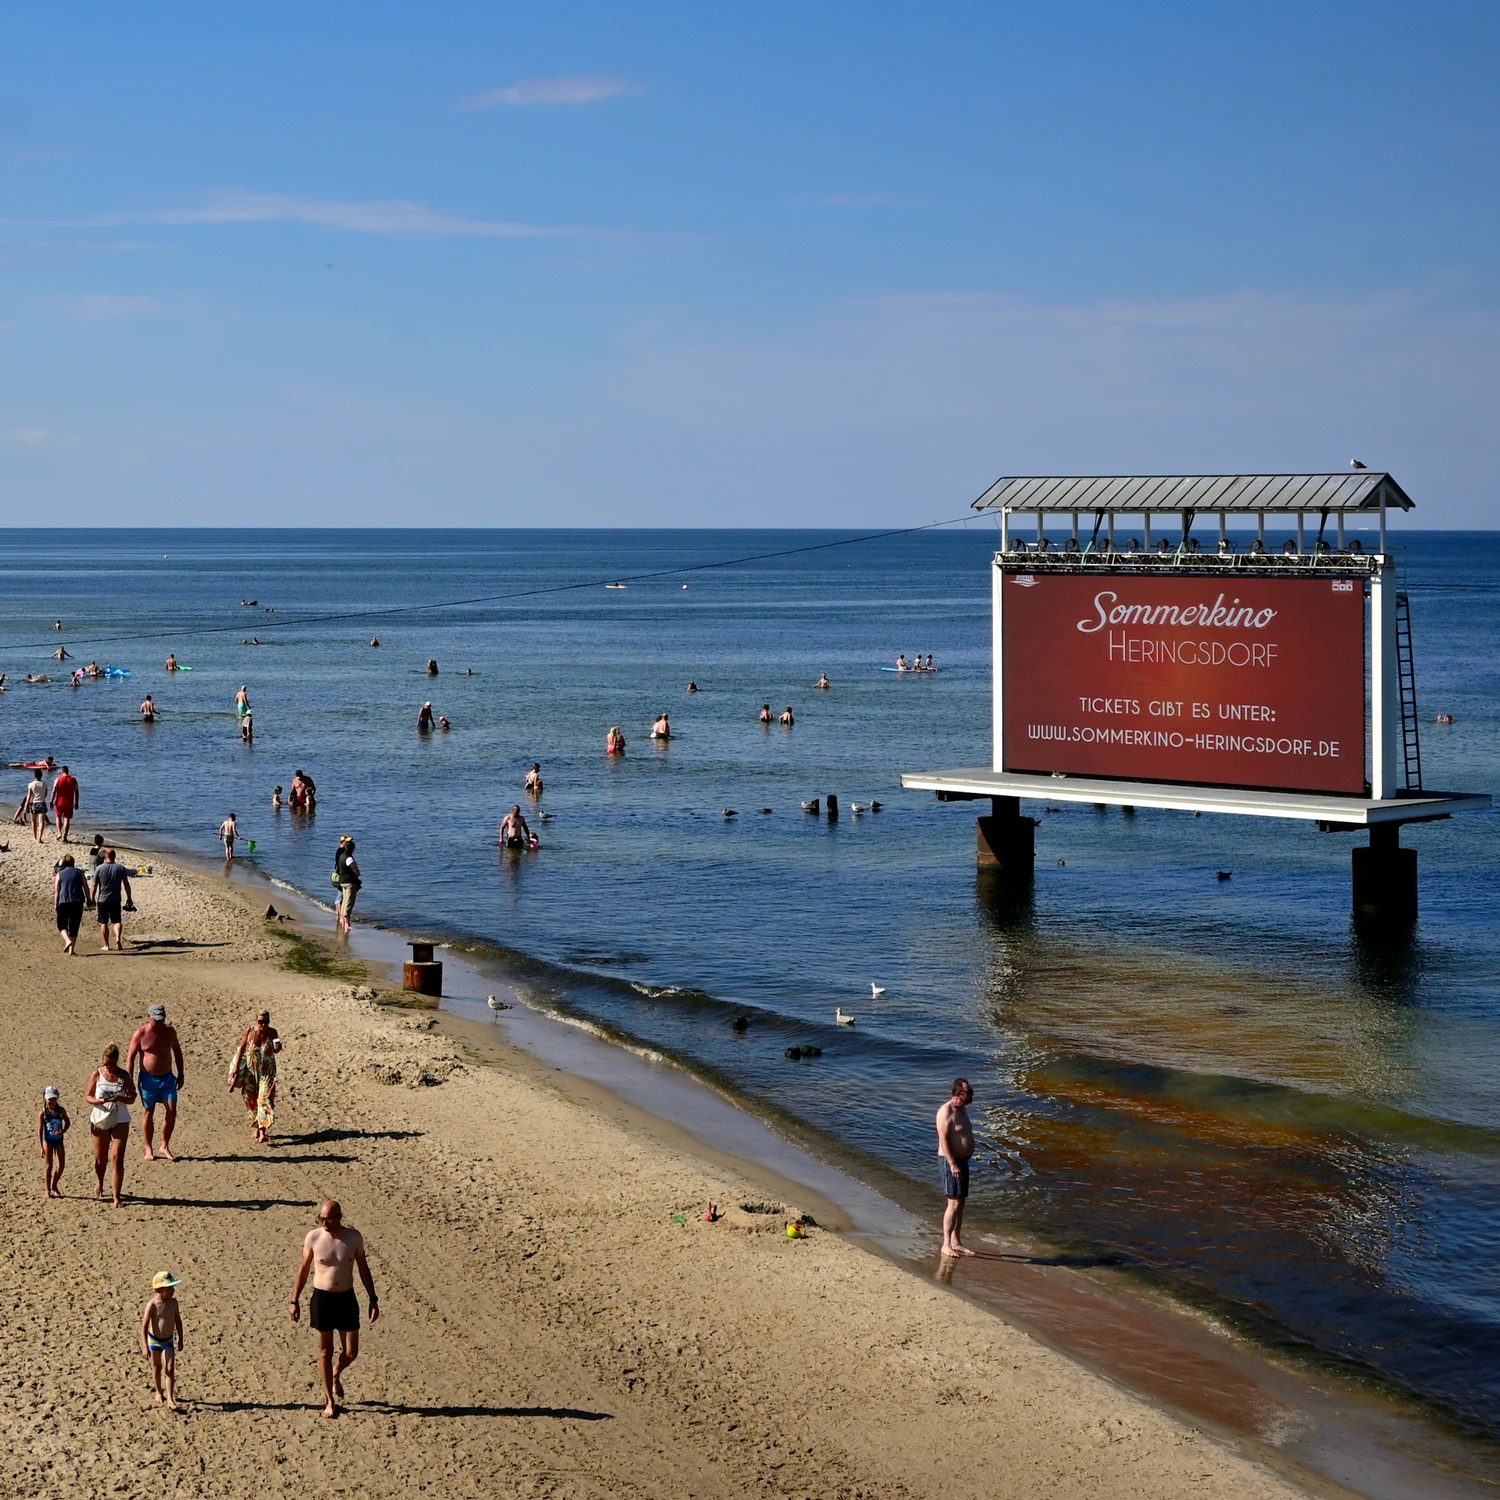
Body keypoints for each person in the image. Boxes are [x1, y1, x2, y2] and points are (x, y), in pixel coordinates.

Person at [290, 1200, 380, 1419]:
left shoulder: (353, 1238)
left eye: (329, 1219)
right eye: (322, 1219)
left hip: (346, 1298)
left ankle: (335, 1373)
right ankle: (329, 1400)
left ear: (339, 1216)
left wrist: (372, 1298)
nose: (325, 1223)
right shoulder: (313, 1237)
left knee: (350, 1353)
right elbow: (303, 1269)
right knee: (325, 1351)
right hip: (322, 1298)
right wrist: (294, 1300)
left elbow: (363, 1268)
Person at [128, 1004, 184, 1162]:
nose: (159, 1023)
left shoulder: (169, 1032)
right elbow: (130, 1059)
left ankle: (164, 1145)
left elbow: (177, 1052)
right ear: (149, 1017)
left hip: (167, 1078)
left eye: (161, 1020)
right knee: (148, 1112)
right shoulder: (140, 1034)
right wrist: (130, 1082)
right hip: (148, 1080)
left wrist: (181, 1074)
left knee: (171, 1111)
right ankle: (148, 1148)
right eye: (156, 1020)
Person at [86, 1043, 136, 1206]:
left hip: (120, 1119)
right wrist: (97, 1101)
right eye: (106, 1064)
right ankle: (100, 1181)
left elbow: (132, 1098)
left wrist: (120, 1098)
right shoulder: (97, 1074)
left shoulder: (124, 1076)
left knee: (116, 1158)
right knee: (101, 1159)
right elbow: (87, 1096)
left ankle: (116, 1196)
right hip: (100, 1119)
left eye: (112, 1064)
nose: (109, 1068)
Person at [936, 1078, 976, 1258]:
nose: (972, 1095)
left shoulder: (962, 1109)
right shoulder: (946, 1111)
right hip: (950, 1161)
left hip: (962, 1162)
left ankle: (956, 1241)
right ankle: (946, 1244)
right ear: (959, 1094)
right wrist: (952, 1164)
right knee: (953, 1203)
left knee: (961, 1203)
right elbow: (944, 1139)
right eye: (969, 1092)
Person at [228, 1011, 280, 1143]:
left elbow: (275, 1050)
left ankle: (262, 1133)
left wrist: (278, 1047)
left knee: (264, 1099)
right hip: (250, 1072)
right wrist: (235, 1068)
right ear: (256, 1021)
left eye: (266, 1022)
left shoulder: (272, 1033)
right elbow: (241, 1050)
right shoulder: (249, 1031)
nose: (263, 1025)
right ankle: (257, 1127)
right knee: (250, 1100)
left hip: (266, 1073)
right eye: (260, 1022)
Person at [139, 1272, 185, 1409]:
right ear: (159, 1290)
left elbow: (178, 1321)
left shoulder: (173, 1303)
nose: (173, 1290)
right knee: (157, 1368)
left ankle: (170, 1399)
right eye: (169, 1288)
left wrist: (181, 1339)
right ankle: (159, 1392)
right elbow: (144, 1326)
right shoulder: (152, 1305)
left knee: (170, 1368)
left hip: (168, 1341)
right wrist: (145, 1346)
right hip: (154, 1341)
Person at [90, 849, 133, 952]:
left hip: (103, 900)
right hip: (115, 899)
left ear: (105, 857)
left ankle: (107, 945)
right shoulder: (120, 868)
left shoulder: (100, 868)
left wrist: (91, 898)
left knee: (103, 922)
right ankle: (118, 937)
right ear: (114, 856)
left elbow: (94, 885)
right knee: (117, 921)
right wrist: (129, 898)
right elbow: (126, 884)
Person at [38, 1086, 70, 1199]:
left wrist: (63, 1131)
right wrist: (41, 1147)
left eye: (53, 1098)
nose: (51, 1101)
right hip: (48, 1140)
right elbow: (40, 1130)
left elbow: (68, 1122)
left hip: (59, 1140)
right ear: (45, 1099)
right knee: (48, 1166)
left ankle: (54, 1184)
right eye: (49, 1099)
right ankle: (47, 1190)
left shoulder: (61, 1111)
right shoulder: (43, 1113)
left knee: (61, 1165)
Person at [54, 854, 87, 956]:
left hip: (64, 901)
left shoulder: (60, 874)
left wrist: (56, 904)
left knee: (61, 924)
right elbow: (85, 887)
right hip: (78, 902)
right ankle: (71, 950)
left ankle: (67, 940)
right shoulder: (80, 872)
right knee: (74, 925)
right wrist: (90, 899)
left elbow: (57, 891)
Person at [333, 837, 360, 934]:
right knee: (348, 902)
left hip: (342, 881)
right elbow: (357, 871)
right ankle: (346, 923)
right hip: (349, 882)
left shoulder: (341, 856)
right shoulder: (348, 858)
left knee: (344, 902)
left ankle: (343, 921)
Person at [16, 769, 49, 841]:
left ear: (34, 775)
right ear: (41, 775)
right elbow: (45, 794)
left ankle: (35, 837)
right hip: (42, 803)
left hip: (33, 803)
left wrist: (26, 805)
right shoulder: (44, 784)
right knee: (41, 822)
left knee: (33, 821)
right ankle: (40, 838)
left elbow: (29, 796)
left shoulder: (31, 784)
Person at [50, 764, 78, 842]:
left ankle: (59, 833)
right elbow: (76, 792)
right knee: (67, 819)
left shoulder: (58, 779)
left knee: (58, 817)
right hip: (69, 802)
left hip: (59, 802)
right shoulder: (73, 779)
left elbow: (54, 790)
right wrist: (76, 802)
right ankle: (64, 837)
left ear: (62, 771)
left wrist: (51, 801)